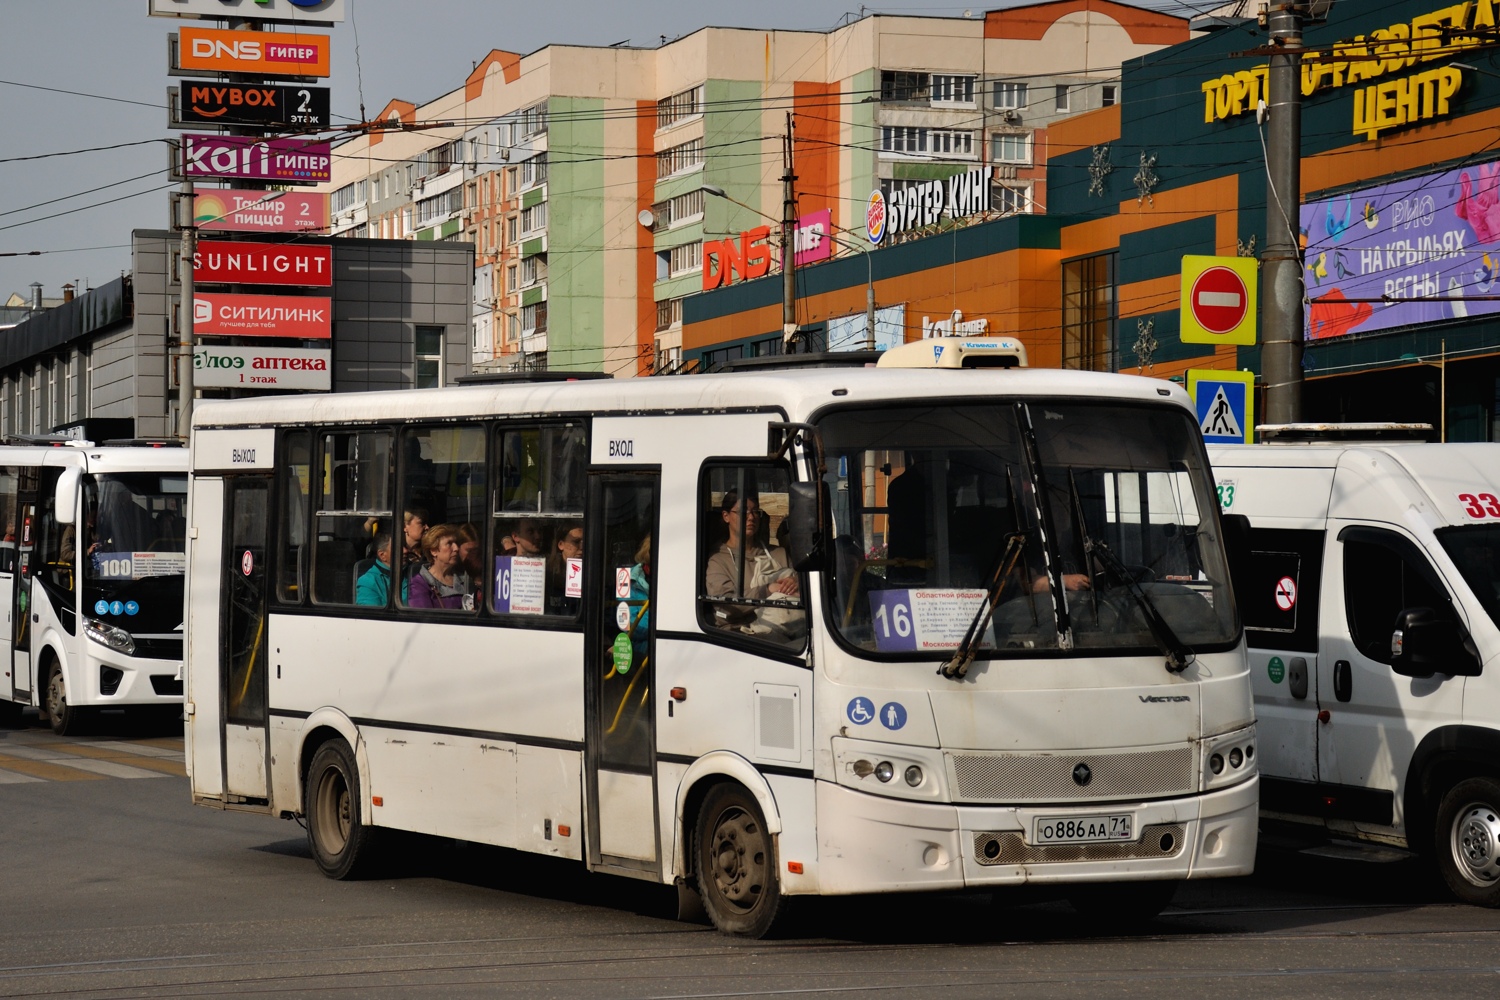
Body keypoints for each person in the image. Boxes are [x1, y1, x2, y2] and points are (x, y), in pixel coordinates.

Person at [705, 492, 799, 603]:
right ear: (726, 516)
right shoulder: (718, 561)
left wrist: (795, 582)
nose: (751, 517)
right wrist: (768, 590)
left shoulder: (779, 554)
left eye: (755, 511)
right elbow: (724, 604)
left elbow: (808, 589)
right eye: (743, 512)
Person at [406, 523, 473, 610]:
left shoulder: (466, 578)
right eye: (449, 544)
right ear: (434, 551)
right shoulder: (420, 584)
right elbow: (423, 619)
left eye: (456, 543)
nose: (456, 548)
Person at [546, 521, 583, 616]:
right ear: (561, 544)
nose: (582, 547)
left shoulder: (591, 572)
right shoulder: (549, 572)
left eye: (584, 542)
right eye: (576, 542)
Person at [355, 532, 393, 607]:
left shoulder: (412, 574)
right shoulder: (368, 582)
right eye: (398, 548)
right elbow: (371, 616)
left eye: (404, 546)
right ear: (382, 555)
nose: (405, 551)